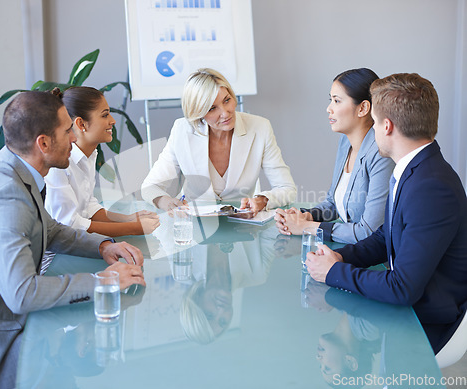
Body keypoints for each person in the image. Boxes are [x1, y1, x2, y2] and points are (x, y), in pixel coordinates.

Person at [0, 90, 146, 388]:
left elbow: (48, 227)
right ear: (44, 143)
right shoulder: (4, 195)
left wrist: (103, 245)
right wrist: (104, 281)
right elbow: (22, 293)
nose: (75, 139)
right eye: (67, 132)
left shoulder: (15, 167)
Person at [306, 73, 467, 354]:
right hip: (409, 308)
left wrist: (334, 272)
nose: (373, 133)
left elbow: (402, 288)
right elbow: (385, 237)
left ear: (387, 126)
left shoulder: (431, 187)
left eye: (375, 124)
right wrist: (342, 257)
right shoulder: (414, 169)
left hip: (426, 325)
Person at [141, 68, 297, 214]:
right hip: (196, 231)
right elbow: (150, 187)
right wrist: (166, 202)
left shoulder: (260, 128)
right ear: (198, 113)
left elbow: (287, 188)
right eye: (212, 108)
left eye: (227, 100)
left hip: (242, 228)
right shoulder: (182, 130)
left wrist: (262, 200)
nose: (225, 113)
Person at [275, 68, 395, 243]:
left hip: (374, 259)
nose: (328, 109)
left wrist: (307, 228)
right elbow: (334, 203)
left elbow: (369, 231)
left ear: (363, 108)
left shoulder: (380, 155)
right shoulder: (345, 143)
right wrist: (306, 216)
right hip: (348, 251)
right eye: (330, 100)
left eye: (337, 101)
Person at [45, 86, 160, 237]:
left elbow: (89, 207)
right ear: (81, 124)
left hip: (80, 243)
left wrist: (129, 219)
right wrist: (132, 228)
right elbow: (70, 224)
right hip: (56, 255)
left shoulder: (90, 154)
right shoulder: (58, 166)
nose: (112, 121)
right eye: (105, 115)